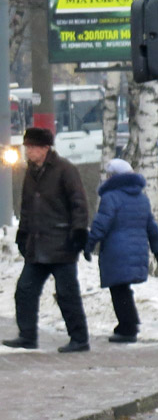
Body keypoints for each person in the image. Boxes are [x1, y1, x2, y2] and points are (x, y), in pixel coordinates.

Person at [3, 127, 90, 353]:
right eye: (27, 147)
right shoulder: (31, 173)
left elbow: (78, 203)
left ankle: (79, 338)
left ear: (44, 148)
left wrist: (79, 231)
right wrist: (23, 234)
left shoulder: (65, 170)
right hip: (37, 245)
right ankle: (27, 335)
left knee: (66, 293)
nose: (28, 152)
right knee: (25, 290)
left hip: (62, 244)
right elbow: (27, 208)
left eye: (32, 147)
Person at [84, 158, 158, 343]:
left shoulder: (110, 197)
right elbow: (152, 227)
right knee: (123, 289)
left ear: (113, 176)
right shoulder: (141, 197)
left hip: (116, 251)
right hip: (136, 250)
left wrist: (89, 245)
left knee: (118, 290)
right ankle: (128, 324)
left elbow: (101, 224)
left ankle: (128, 328)